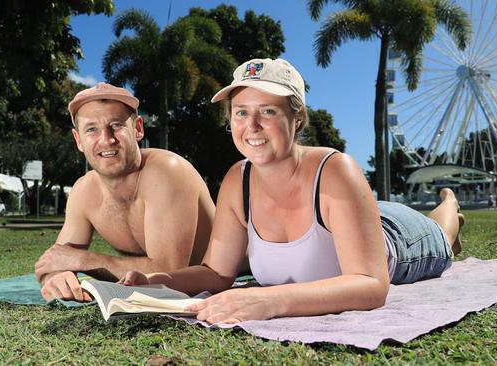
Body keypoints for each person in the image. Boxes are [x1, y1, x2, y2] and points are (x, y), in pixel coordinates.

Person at [119, 58, 465, 324]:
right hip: (356, 216)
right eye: (241, 113)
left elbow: (371, 285)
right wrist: (159, 280)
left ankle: (450, 205)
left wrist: (268, 301)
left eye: (267, 111)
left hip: (398, 239)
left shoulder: (335, 169)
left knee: (441, 233)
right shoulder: (237, 181)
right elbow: (217, 273)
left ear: (297, 118)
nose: (251, 126)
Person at [35, 82, 215, 302]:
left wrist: (82, 261)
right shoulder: (84, 191)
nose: (107, 139)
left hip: (244, 265)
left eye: (117, 125)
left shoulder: (167, 171)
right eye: (91, 129)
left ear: (138, 128)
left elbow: (169, 272)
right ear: (78, 140)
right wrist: (57, 277)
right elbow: (58, 259)